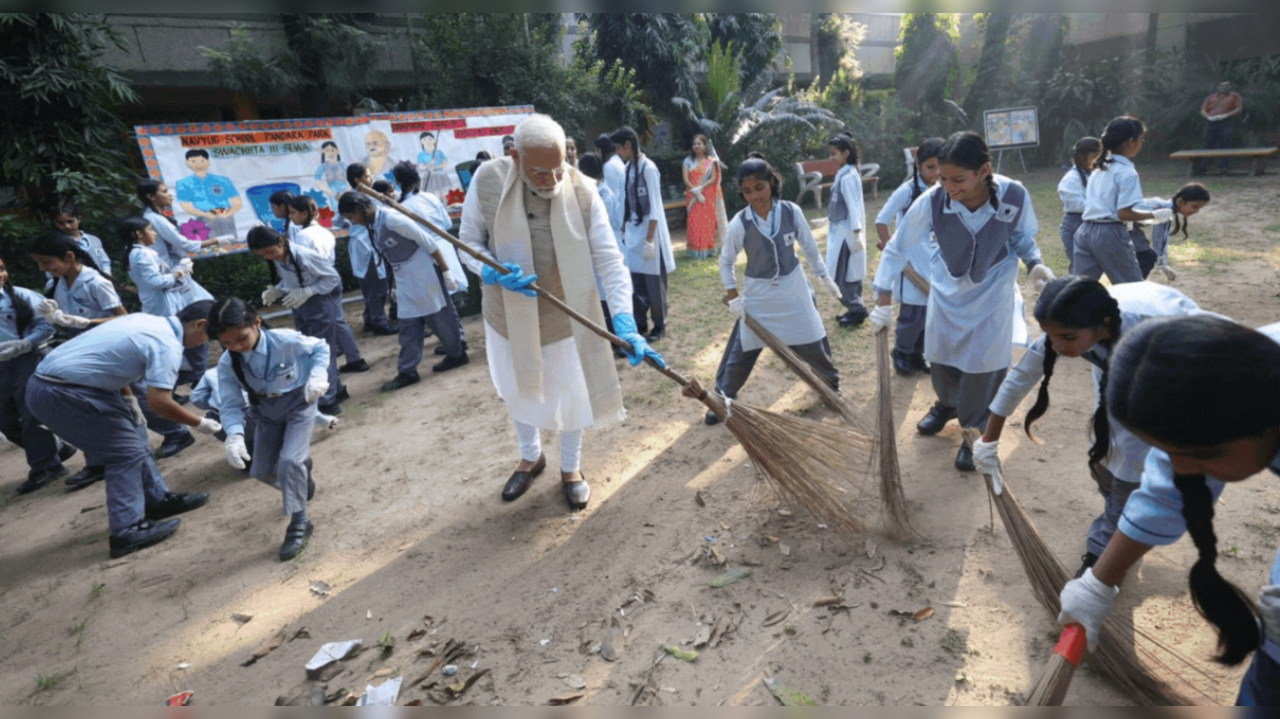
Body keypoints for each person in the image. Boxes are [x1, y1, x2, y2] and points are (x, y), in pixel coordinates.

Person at [1054, 315, 1280, 705]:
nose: (1180, 469)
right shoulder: (1227, 378)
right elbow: (1166, 490)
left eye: (1198, 455)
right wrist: (1097, 583)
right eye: (1169, 450)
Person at [459, 114, 663, 511]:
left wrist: (625, 320)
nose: (552, 180)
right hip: (506, 314)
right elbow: (468, 242)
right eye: (540, 171)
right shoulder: (487, 181)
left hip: (564, 315)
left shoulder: (583, 190)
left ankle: (571, 468)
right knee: (518, 388)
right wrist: (489, 270)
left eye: (558, 169)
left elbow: (609, 258)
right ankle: (531, 456)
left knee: (571, 396)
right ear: (515, 158)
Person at [974, 277, 1210, 577]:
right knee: (1107, 457)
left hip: (1170, 376)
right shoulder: (1076, 327)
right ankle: (1120, 509)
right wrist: (989, 441)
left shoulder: (1152, 329)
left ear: (1104, 325)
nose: (1057, 346)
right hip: (1116, 364)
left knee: (1131, 468)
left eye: (1067, 338)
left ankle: (1103, 554)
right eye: (1051, 336)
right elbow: (1021, 376)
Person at [870, 131, 1054, 472]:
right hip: (948, 290)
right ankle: (948, 404)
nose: (949, 187)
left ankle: (975, 429)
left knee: (984, 366)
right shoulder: (934, 200)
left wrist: (1034, 263)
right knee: (941, 359)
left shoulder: (1013, 194)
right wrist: (884, 298)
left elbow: (1020, 235)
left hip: (992, 289)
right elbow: (898, 246)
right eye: (941, 178)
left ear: (984, 171)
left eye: (958, 180)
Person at [26, 301, 220, 558]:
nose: (208, 342)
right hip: (62, 391)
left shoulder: (148, 320)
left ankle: (157, 500)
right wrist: (200, 423)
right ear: (200, 325)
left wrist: (129, 401)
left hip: (66, 384)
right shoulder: (167, 345)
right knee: (124, 453)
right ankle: (126, 530)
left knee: (135, 438)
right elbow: (159, 401)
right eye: (212, 335)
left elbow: (116, 365)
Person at [707, 158, 844, 426]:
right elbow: (726, 261)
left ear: (772, 182)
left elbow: (809, 246)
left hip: (793, 287)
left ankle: (831, 386)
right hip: (759, 294)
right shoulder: (741, 222)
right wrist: (734, 296)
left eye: (759, 187)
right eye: (747, 191)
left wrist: (823, 275)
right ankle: (723, 396)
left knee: (813, 339)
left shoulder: (791, 212)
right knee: (744, 348)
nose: (755, 196)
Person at [209, 298, 329, 561]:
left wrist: (319, 374)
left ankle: (300, 522)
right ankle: (300, 476)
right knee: (260, 471)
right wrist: (235, 436)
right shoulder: (229, 362)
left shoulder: (284, 340)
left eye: (241, 338)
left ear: (257, 323)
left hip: (299, 404)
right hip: (265, 412)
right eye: (226, 343)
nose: (235, 347)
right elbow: (230, 404)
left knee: (288, 461)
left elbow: (320, 348)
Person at [338, 191, 468, 392]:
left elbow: (429, 242)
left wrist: (446, 272)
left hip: (424, 272)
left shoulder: (392, 219)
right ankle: (407, 371)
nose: (352, 222)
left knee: (441, 319)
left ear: (358, 210)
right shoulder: (375, 223)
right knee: (408, 324)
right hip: (405, 277)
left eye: (351, 217)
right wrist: (396, 285)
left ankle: (457, 354)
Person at [31, 232, 130, 492]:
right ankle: (97, 461)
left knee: (128, 402)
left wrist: (86, 322)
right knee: (89, 406)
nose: (43, 269)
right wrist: (57, 319)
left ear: (69, 257)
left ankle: (173, 434)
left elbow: (123, 318)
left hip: (105, 345)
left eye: (45, 262)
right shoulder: (58, 284)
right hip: (79, 348)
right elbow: (63, 317)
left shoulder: (95, 282)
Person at [249, 226, 346, 417]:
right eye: (263, 255)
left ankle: (328, 401)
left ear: (281, 242)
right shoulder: (281, 257)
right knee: (306, 351)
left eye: (270, 252)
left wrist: (309, 291)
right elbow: (291, 279)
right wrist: (277, 290)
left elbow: (332, 279)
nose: (269, 257)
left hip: (319, 303)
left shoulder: (304, 255)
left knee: (321, 351)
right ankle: (337, 389)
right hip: (300, 303)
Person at [0, 254, 76, 496]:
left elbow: (46, 325)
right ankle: (55, 449)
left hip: (26, 360)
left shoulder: (23, 297)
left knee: (30, 413)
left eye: (2, 268)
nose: (1, 275)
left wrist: (24, 344)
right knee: (6, 420)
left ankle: (46, 466)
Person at [138, 179, 223, 389]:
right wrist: (215, 241)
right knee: (202, 320)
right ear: (151, 196)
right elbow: (183, 243)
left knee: (207, 314)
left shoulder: (157, 218)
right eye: (165, 192)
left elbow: (179, 247)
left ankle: (196, 379)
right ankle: (195, 381)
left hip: (179, 280)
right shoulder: (154, 222)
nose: (170, 195)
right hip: (174, 284)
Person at [875, 137, 945, 376]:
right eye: (930, 167)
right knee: (912, 315)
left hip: (934, 263)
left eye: (940, 167)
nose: (935, 173)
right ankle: (902, 353)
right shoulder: (907, 191)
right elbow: (882, 220)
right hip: (910, 266)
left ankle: (917, 355)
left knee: (929, 313)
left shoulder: (945, 189)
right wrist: (890, 250)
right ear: (918, 164)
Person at [1073, 117, 1171, 285]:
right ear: (1131, 142)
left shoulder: (1099, 168)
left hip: (1085, 231)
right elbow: (1124, 213)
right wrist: (1154, 216)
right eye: (1141, 139)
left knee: (1080, 288)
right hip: (1109, 233)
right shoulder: (1126, 172)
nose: (1142, 143)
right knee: (1131, 287)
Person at [286, 195, 368, 374]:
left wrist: (304, 288)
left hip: (318, 283)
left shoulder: (302, 236)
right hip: (331, 278)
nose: (291, 217)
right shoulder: (325, 231)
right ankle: (355, 359)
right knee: (338, 322)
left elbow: (304, 265)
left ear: (304, 213)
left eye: (293, 212)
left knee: (321, 333)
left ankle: (328, 375)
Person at [611, 126, 675, 342]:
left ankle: (659, 324)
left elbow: (656, 206)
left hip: (651, 233)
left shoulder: (649, 168)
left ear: (628, 145)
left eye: (619, 148)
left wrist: (649, 239)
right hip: (634, 232)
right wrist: (623, 227)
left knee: (654, 284)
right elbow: (625, 202)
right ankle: (640, 323)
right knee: (635, 283)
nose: (618, 153)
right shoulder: (628, 169)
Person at [337, 163, 396, 337]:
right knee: (377, 287)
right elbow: (383, 215)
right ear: (358, 180)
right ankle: (380, 322)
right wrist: (358, 226)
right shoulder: (363, 198)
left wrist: (352, 227)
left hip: (363, 246)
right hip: (368, 247)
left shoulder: (350, 198)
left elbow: (338, 221)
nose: (371, 179)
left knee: (369, 287)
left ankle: (370, 319)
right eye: (367, 176)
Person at [577, 153, 625, 351]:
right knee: (606, 296)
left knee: (610, 298)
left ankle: (619, 342)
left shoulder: (602, 196)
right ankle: (615, 339)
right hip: (606, 249)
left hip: (606, 249)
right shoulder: (600, 192)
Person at [825, 134, 870, 329]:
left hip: (848, 232)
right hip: (841, 230)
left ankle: (857, 309)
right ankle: (853, 308)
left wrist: (857, 232)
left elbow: (853, 207)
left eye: (834, 154)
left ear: (846, 154)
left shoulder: (849, 177)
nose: (831, 157)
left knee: (840, 274)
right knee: (849, 273)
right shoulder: (844, 174)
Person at [1131, 183, 1211, 281]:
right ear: (1180, 202)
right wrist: (1162, 264)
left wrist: (1162, 265)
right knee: (1146, 257)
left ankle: (1133, 284)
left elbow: (1161, 239)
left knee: (1146, 256)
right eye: (1194, 206)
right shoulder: (1160, 207)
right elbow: (1159, 238)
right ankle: (1133, 286)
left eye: (1199, 208)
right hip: (1117, 226)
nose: (1197, 211)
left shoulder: (1166, 210)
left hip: (1126, 228)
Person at [175, 149, 244, 240]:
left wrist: (228, 213)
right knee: (212, 245)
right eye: (193, 161)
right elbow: (186, 206)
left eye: (202, 160)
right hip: (203, 218)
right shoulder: (183, 183)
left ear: (208, 162)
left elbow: (237, 202)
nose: (198, 164)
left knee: (231, 242)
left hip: (225, 216)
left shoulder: (223, 180)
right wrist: (206, 215)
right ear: (188, 163)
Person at [1058, 137, 1102, 274]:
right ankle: (1071, 294)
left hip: (1093, 225)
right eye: (1093, 157)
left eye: (1099, 157)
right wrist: (1104, 206)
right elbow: (1077, 205)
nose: (1097, 160)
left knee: (1093, 267)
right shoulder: (1071, 179)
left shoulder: (1095, 175)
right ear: (1081, 157)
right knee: (1080, 268)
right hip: (1075, 225)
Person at [682, 134, 721, 260]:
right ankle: (694, 250)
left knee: (707, 221)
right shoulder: (688, 161)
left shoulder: (709, 161)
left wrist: (701, 188)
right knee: (694, 222)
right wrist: (695, 191)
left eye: (699, 144)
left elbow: (713, 177)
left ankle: (708, 249)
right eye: (694, 144)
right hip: (693, 196)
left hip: (706, 195)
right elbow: (685, 179)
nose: (696, 146)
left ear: (705, 146)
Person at [51, 201, 113, 279]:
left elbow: (105, 261)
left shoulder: (94, 240)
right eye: (61, 223)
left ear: (79, 219)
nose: (66, 226)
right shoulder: (57, 244)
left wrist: (106, 276)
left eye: (70, 221)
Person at [1199, 80, 1245, 175]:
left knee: (1225, 142)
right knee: (1208, 143)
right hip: (1211, 122)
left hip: (1226, 121)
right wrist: (1208, 117)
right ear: (1218, 87)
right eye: (1222, 86)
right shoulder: (1211, 98)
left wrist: (1226, 115)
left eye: (1226, 85)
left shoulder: (1235, 96)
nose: (1224, 87)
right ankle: (1204, 166)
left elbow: (1238, 109)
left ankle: (1224, 166)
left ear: (1230, 87)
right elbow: (1203, 110)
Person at [597, 134, 626, 239]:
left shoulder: (609, 167)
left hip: (619, 223)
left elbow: (613, 198)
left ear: (600, 151)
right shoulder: (618, 162)